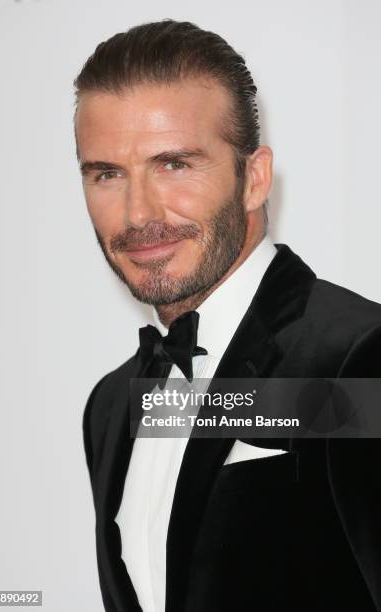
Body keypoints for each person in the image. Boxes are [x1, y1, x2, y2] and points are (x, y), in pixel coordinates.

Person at [73, 19, 381, 612]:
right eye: (107, 173)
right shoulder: (112, 406)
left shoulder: (358, 360)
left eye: (175, 165)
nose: (139, 213)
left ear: (254, 179)